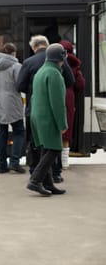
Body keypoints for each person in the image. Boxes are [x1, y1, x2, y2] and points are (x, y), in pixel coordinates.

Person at [16, 35, 74, 175]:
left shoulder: (29, 62)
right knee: (54, 143)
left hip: (34, 109)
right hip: (52, 109)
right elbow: (70, 80)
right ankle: (55, 173)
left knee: (36, 144)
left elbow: (20, 86)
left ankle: (35, 171)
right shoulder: (58, 63)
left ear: (33, 47)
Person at [27, 43, 68, 196]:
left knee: (46, 149)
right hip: (48, 117)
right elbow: (57, 103)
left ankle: (48, 183)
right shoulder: (54, 74)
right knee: (55, 149)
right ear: (60, 58)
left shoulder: (41, 72)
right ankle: (35, 180)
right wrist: (62, 124)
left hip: (37, 116)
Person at [51, 40, 85, 180]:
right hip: (69, 98)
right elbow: (81, 85)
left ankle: (55, 161)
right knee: (66, 128)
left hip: (55, 96)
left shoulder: (54, 63)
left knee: (54, 129)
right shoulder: (75, 65)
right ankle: (64, 162)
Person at [0, 43, 25, 174]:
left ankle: (1, 165)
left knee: (1, 133)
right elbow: (20, 85)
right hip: (12, 102)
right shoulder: (16, 66)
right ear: (13, 53)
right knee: (19, 131)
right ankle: (14, 162)